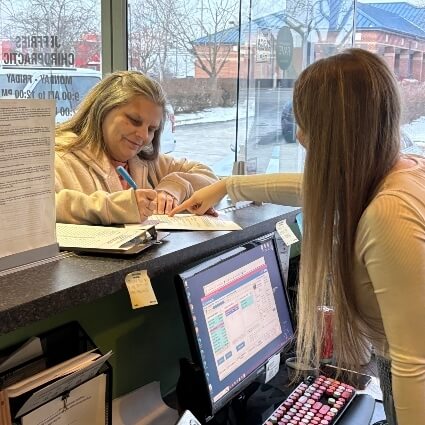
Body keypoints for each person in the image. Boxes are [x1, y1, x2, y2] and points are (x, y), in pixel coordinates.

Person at [171, 49, 425, 424]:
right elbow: (313, 186)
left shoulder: (389, 213)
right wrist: (227, 186)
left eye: (305, 123)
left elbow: (415, 363)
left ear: (335, 130)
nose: (301, 135)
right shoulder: (402, 170)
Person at [55, 70, 218, 225]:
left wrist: (175, 186)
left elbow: (211, 180)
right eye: (134, 120)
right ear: (102, 111)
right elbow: (38, 209)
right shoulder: (58, 160)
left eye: (151, 129)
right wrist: (114, 208)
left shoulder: (146, 161)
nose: (143, 136)